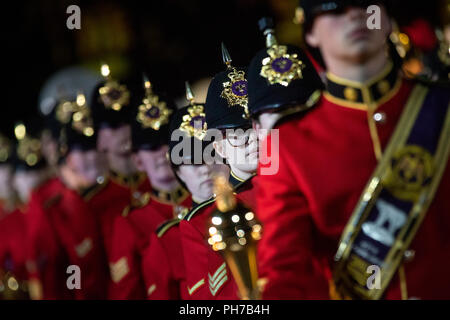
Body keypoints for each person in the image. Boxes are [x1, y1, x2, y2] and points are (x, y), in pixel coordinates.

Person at [256, 0, 450, 299]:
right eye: (334, 8)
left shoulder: (442, 107)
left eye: (366, 4)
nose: (355, 15)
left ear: (386, 20)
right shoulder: (288, 144)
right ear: (310, 33)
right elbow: (286, 272)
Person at [180, 46, 259, 299]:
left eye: (255, 125)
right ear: (219, 145)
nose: (251, 139)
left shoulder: (296, 186)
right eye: (236, 133)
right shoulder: (200, 222)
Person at [107, 77, 192, 299]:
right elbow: (126, 294)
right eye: (152, 147)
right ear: (137, 160)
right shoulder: (130, 223)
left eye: (167, 143)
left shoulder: (205, 199)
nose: (163, 154)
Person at [141, 87, 228, 299]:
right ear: (178, 170)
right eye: (195, 162)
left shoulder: (255, 205)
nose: (206, 168)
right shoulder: (168, 239)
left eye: (213, 156)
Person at [90, 64, 151, 271]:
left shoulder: (162, 184)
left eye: (127, 122)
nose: (124, 132)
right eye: (114, 127)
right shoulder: (94, 205)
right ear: (99, 139)